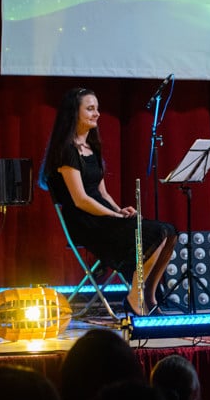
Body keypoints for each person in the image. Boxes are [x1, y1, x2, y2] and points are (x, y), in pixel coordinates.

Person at [38, 86, 177, 316]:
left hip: (104, 216)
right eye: (90, 109)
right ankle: (134, 296)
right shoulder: (66, 152)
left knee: (171, 232)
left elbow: (102, 192)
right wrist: (112, 215)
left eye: (97, 109)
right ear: (74, 113)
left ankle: (148, 296)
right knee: (157, 233)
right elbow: (81, 200)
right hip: (86, 223)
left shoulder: (92, 148)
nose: (97, 114)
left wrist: (119, 210)